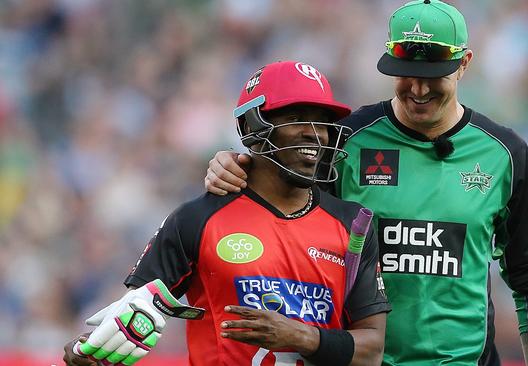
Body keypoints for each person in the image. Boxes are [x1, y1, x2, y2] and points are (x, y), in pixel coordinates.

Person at [204, 1, 528, 365]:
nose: (418, 90)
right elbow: (279, 202)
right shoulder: (346, 141)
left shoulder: (504, 153)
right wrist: (232, 165)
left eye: (432, 76)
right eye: (406, 74)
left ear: (464, 63)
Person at [63, 60, 391, 366]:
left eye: (322, 122)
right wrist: (92, 347)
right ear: (253, 124)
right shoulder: (196, 219)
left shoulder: (352, 224)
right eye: (296, 118)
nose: (314, 133)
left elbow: (371, 350)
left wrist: (299, 336)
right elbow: (132, 312)